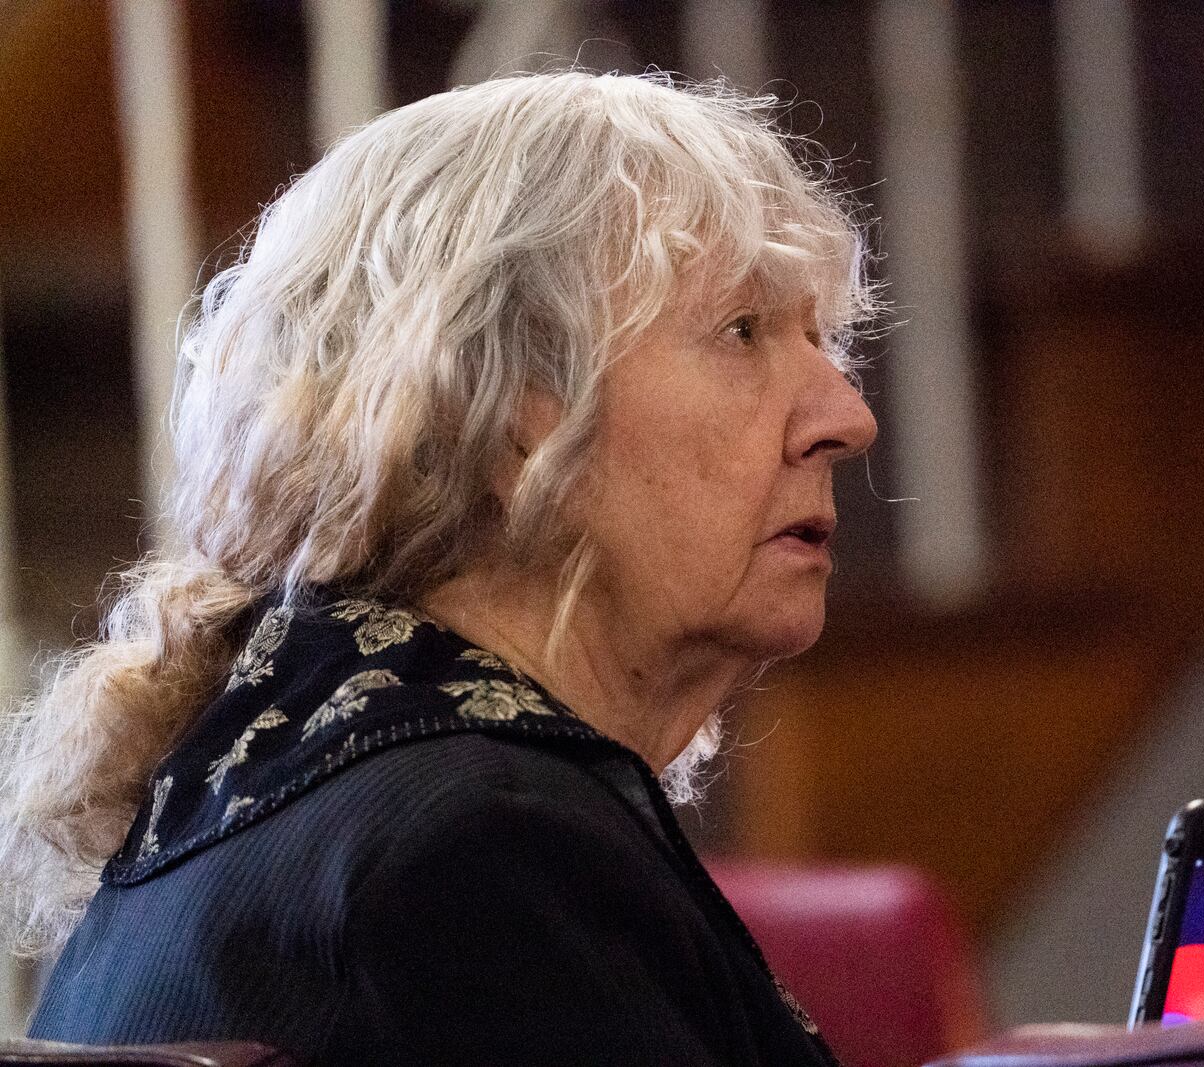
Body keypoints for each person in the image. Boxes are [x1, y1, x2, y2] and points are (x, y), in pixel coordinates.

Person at [0, 71, 878, 1066]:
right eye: (742, 331)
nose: (845, 417)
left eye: (823, 337)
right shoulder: (489, 850)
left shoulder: (251, 795)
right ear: (503, 409)